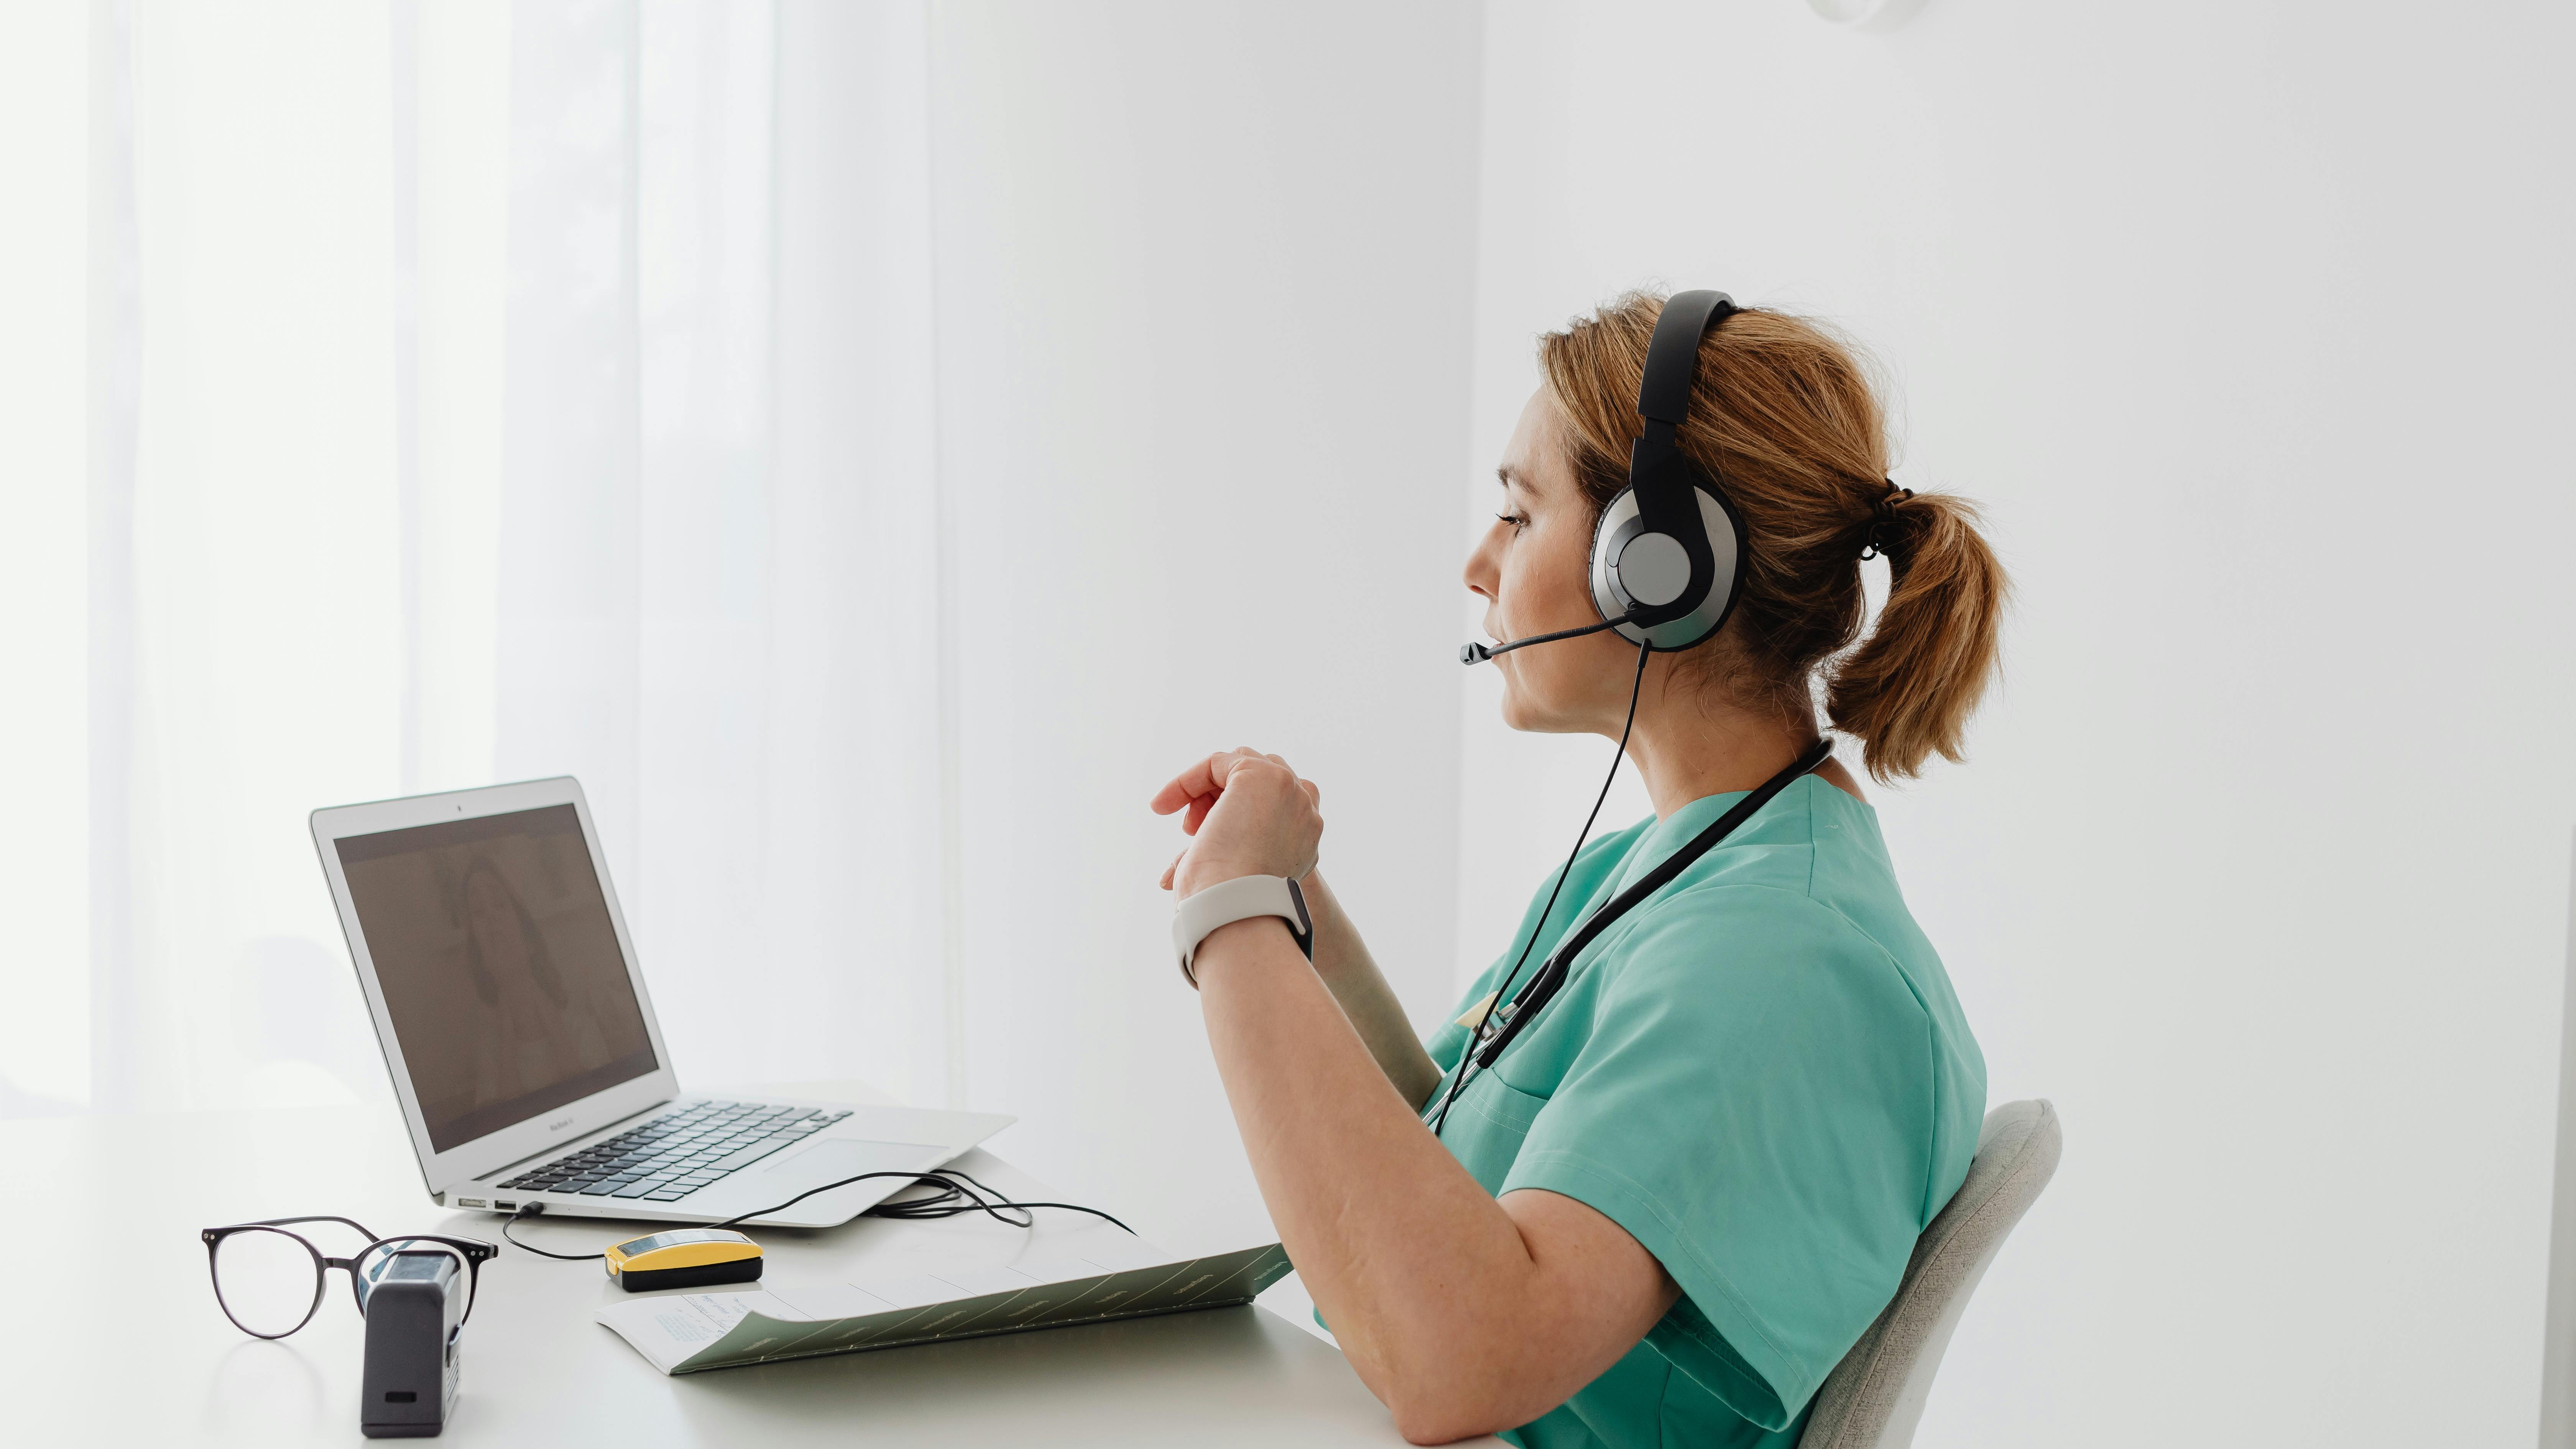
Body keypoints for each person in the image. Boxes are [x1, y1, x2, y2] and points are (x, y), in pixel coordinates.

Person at [1149, 293, 2005, 1448]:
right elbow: (1442, 1160)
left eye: (1517, 513)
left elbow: (1461, 1358)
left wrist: (1231, 922)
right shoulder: (1672, 868)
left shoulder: (1777, 960)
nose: (1476, 563)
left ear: (1658, 565)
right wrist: (1294, 903)